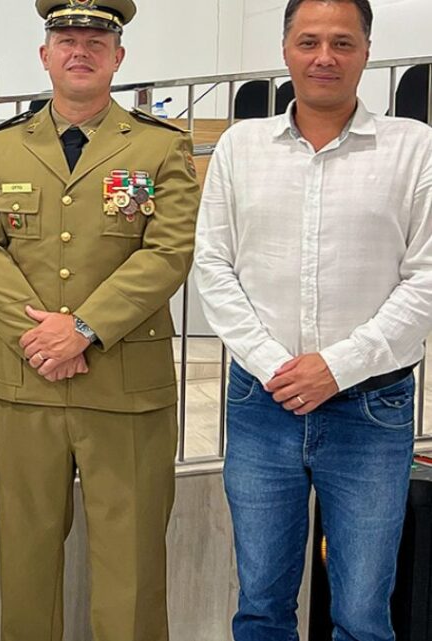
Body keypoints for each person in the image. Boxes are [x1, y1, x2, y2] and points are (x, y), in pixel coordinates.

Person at [0, 1, 202, 639]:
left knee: (132, 568)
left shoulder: (161, 145)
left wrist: (84, 329)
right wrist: (39, 337)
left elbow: (170, 250)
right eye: (66, 38)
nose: (81, 50)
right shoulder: (1, 148)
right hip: (29, 380)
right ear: (45, 55)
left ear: (119, 56)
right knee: (27, 563)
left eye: (97, 38)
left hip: (124, 387)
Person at [194, 1, 432, 638]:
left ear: (366, 50)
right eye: (309, 41)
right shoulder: (241, 148)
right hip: (261, 402)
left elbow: (426, 281)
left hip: (371, 407)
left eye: (342, 43)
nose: (324, 57)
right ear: (286, 49)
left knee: (360, 612)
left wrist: (335, 367)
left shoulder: (414, 148)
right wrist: (279, 367)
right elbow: (213, 267)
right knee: (262, 605)